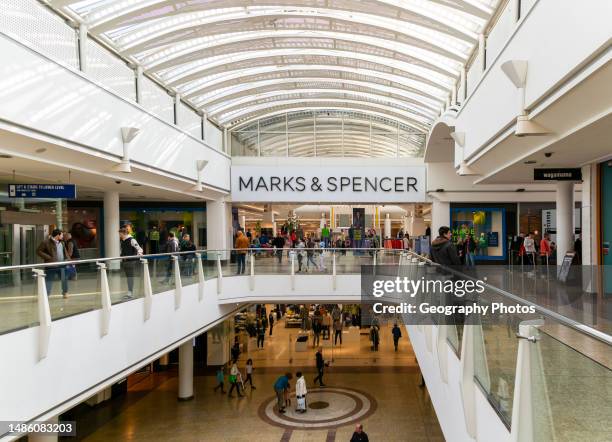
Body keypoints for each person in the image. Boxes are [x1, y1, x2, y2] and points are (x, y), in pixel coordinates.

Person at [37, 229, 70, 298]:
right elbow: (38, 251)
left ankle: (65, 292)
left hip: (62, 265)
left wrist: (68, 260)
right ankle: (46, 295)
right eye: (61, 235)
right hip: (51, 265)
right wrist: (48, 257)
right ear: (58, 235)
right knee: (49, 280)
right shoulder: (46, 242)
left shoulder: (62, 243)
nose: (62, 236)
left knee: (64, 279)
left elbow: (65, 252)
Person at [119, 228, 143, 299]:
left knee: (130, 277)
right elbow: (122, 251)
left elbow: (139, 249)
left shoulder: (132, 240)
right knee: (128, 277)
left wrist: (139, 254)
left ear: (124, 233)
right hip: (125, 261)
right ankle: (129, 292)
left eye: (120, 234)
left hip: (130, 262)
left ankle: (130, 292)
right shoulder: (122, 241)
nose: (119, 235)